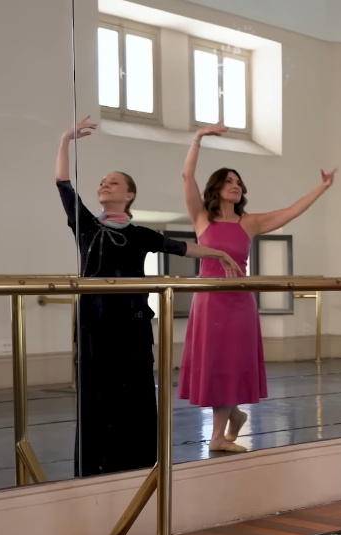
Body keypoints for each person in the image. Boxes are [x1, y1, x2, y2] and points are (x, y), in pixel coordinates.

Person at [56, 117, 241, 477]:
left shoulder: (140, 234)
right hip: (95, 322)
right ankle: (97, 466)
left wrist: (218, 253)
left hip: (133, 322)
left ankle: (139, 463)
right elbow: (63, 184)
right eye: (102, 182)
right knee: (98, 395)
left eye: (114, 182)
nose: (104, 184)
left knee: (136, 393)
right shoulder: (87, 226)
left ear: (129, 195)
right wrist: (65, 140)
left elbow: (181, 247)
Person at [179, 123, 337, 453]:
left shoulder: (248, 222)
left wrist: (321, 188)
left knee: (230, 365)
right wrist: (198, 139)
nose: (235, 186)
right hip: (208, 301)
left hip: (238, 302)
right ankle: (232, 417)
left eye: (238, 182)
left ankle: (219, 435)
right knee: (214, 367)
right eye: (229, 181)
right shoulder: (201, 219)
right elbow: (186, 178)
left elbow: (290, 212)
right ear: (217, 187)